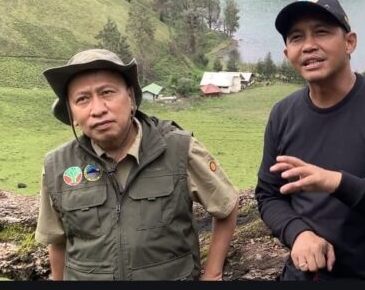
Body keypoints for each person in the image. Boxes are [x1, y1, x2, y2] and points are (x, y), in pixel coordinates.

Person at [254, 0, 365, 280]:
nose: (309, 45)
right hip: (308, 276)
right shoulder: (283, 114)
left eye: (322, 32)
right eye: (296, 37)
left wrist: (336, 182)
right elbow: (268, 194)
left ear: (350, 42)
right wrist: (298, 233)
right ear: (287, 54)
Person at [34, 48, 240, 280]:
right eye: (82, 99)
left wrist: (212, 274)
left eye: (107, 93)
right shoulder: (57, 166)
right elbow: (56, 240)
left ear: (130, 97)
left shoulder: (179, 148)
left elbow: (226, 205)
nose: (98, 109)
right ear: (72, 114)